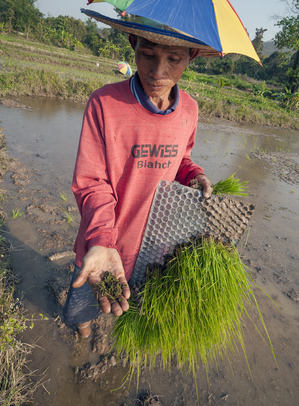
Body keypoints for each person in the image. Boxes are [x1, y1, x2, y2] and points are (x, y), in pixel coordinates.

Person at [63, 30, 212, 338]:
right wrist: (102, 240)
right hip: (104, 240)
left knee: (130, 302)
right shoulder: (105, 103)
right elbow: (92, 181)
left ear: (191, 57)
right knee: (83, 302)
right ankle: (82, 328)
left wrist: (193, 175)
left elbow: (180, 158)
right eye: (148, 54)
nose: (158, 71)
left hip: (155, 244)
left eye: (173, 59)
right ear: (134, 44)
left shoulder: (190, 110)